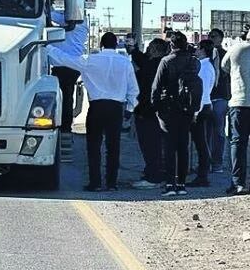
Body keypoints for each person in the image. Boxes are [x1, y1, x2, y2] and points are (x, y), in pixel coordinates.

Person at [48, 31, 138, 192]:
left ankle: (95, 183)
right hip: (116, 108)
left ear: (101, 45)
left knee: (94, 146)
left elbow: (65, 59)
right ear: (116, 45)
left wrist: (47, 47)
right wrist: (130, 109)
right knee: (113, 147)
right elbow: (133, 89)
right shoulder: (125, 63)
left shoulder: (90, 60)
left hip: (96, 107)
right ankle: (112, 183)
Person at [151, 32, 203, 197]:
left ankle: (169, 184)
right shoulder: (194, 62)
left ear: (171, 45)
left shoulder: (166, 61)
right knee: (183, 147)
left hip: (168, 110)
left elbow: (156, 87)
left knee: (169, 147)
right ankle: (181, 184)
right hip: (187, 110)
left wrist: (156, 107)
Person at [129, 38, 169, 189]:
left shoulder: (151, 67)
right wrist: (134, 50)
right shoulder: (164, 64)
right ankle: (158, 174)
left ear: (154, 50)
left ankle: (154, 177)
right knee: (160, 145)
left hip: (147, 112)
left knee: (150, 145)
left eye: (150, 48)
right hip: (162, 112)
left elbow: (140, 87)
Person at [49, 9, 87, 154]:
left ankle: (64, 127)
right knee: (66, 97)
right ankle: (65, 127)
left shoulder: (76, 19)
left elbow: (51, 15)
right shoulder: (74, 20)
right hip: (68, 65)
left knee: (64, 98)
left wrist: (49, 6)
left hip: (65, 65)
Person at [223, 27, 250, 195]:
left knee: (238, 143)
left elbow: (224, 67)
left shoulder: (236, 49)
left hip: (240, 102)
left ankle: (238, 183)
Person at [189, 39, 216, 187]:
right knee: (202, 142)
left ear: (203, 50)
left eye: (198, 48)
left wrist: (195, 112)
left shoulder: (204, 68)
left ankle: (202, 175)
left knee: (201, 143)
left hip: (202, 107)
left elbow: (202, 91)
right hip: (205, 106)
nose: (196, 50)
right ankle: (202, 173)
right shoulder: (206, 66)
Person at [208, 28, 229, 173]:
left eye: (214, 36)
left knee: (218, 131)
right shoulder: (204, 54)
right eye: (209, 36)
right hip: (206, 97)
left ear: (221, 39)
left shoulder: (226, 55)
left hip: (220, 96)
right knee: (206, 132)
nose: (211, 38)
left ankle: (217, 162)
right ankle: (206, 161)